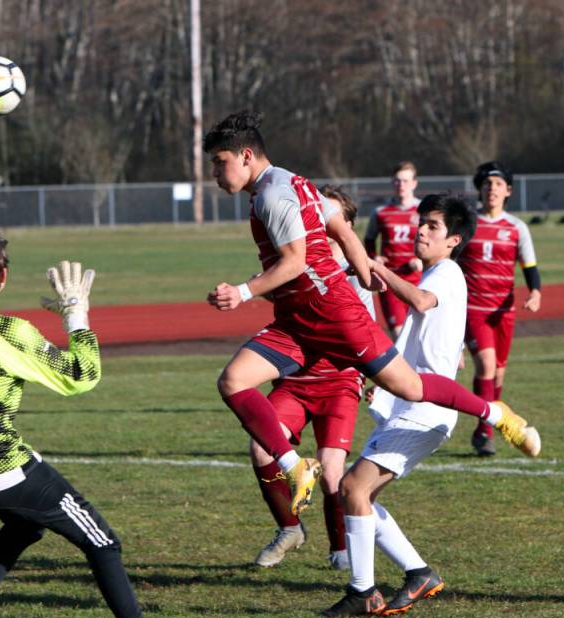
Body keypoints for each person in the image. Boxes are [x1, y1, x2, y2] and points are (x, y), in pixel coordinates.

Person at [204, 111, 540, 523]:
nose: (215, 174)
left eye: (219, 163)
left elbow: (295, 262)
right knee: (233, 381)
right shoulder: (293, 182)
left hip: (332, 313)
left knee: (411, 387)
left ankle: (496, 414)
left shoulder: (275, 195)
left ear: (246, 155)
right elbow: (343, 232)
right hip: (298, 319)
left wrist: (241, 292)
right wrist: (366, 273)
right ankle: (295, 466)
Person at [0, 187, 185, 618]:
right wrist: (76, 315)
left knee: (27, 527)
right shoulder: (9, 333)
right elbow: (83, 377)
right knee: (103, 541)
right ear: (3, 277)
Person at [322, 193, 474, 617]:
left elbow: (422, 302)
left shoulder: (446, 272)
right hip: (414, 405)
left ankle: (363, 591)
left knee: (352, 488)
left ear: (454, 240)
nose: (421, 231)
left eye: (433, 227)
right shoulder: (437, 273)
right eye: (421, 223)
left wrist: (379, 268)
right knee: (359, 497)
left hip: (426, 409)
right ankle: (418, 573)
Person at [249, 186, 374, 571]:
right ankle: (290, 528)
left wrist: (377, 380)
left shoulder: (355, 278)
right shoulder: (297, 258)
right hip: (297, 380)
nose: (320, 222)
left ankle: (339, 549)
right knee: (260, 449)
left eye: (331, 217)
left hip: (338, 383)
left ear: (347, 227)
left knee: (332, 472)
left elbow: (362, 336)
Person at [459, 161, 542, 456]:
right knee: (486, 366)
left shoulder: (517, 227)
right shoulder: (468, 224)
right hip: (474, 308)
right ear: (479, 190)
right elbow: (452, 262)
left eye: (497, 184)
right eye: (486, 184)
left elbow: (529, 267)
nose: (491, 189)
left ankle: (487, 425)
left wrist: (535, 292)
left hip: (503, 311)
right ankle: (485, 431)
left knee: (498, 375)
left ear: (508, 191)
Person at [365, 161, 422, 339]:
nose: (401, 185)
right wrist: (375, 258)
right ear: (392, 182)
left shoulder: (424, 211)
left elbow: (435, 241)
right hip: (390, 279)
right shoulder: (381, 212)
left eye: (405, 181)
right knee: (399, 334)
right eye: (397, 181)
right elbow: (369, 240)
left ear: (414, 183)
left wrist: (421, 260)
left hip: (417, 280)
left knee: (419, 333)